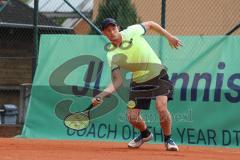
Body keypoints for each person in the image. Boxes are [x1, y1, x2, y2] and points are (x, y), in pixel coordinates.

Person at [92, 18, 182, 151]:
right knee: (132, 117)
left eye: (113, 28)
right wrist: (101, 95)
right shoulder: (112, 54)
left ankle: (168, 139)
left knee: (161, 108)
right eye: (108, 30)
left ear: (118, 27)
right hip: (139, 80)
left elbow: (151, 24)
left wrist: (169, 37)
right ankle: (145, 134)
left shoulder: (132, 31)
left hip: (158, 73)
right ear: (104, 33)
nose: (112, 32)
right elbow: (117, 81)